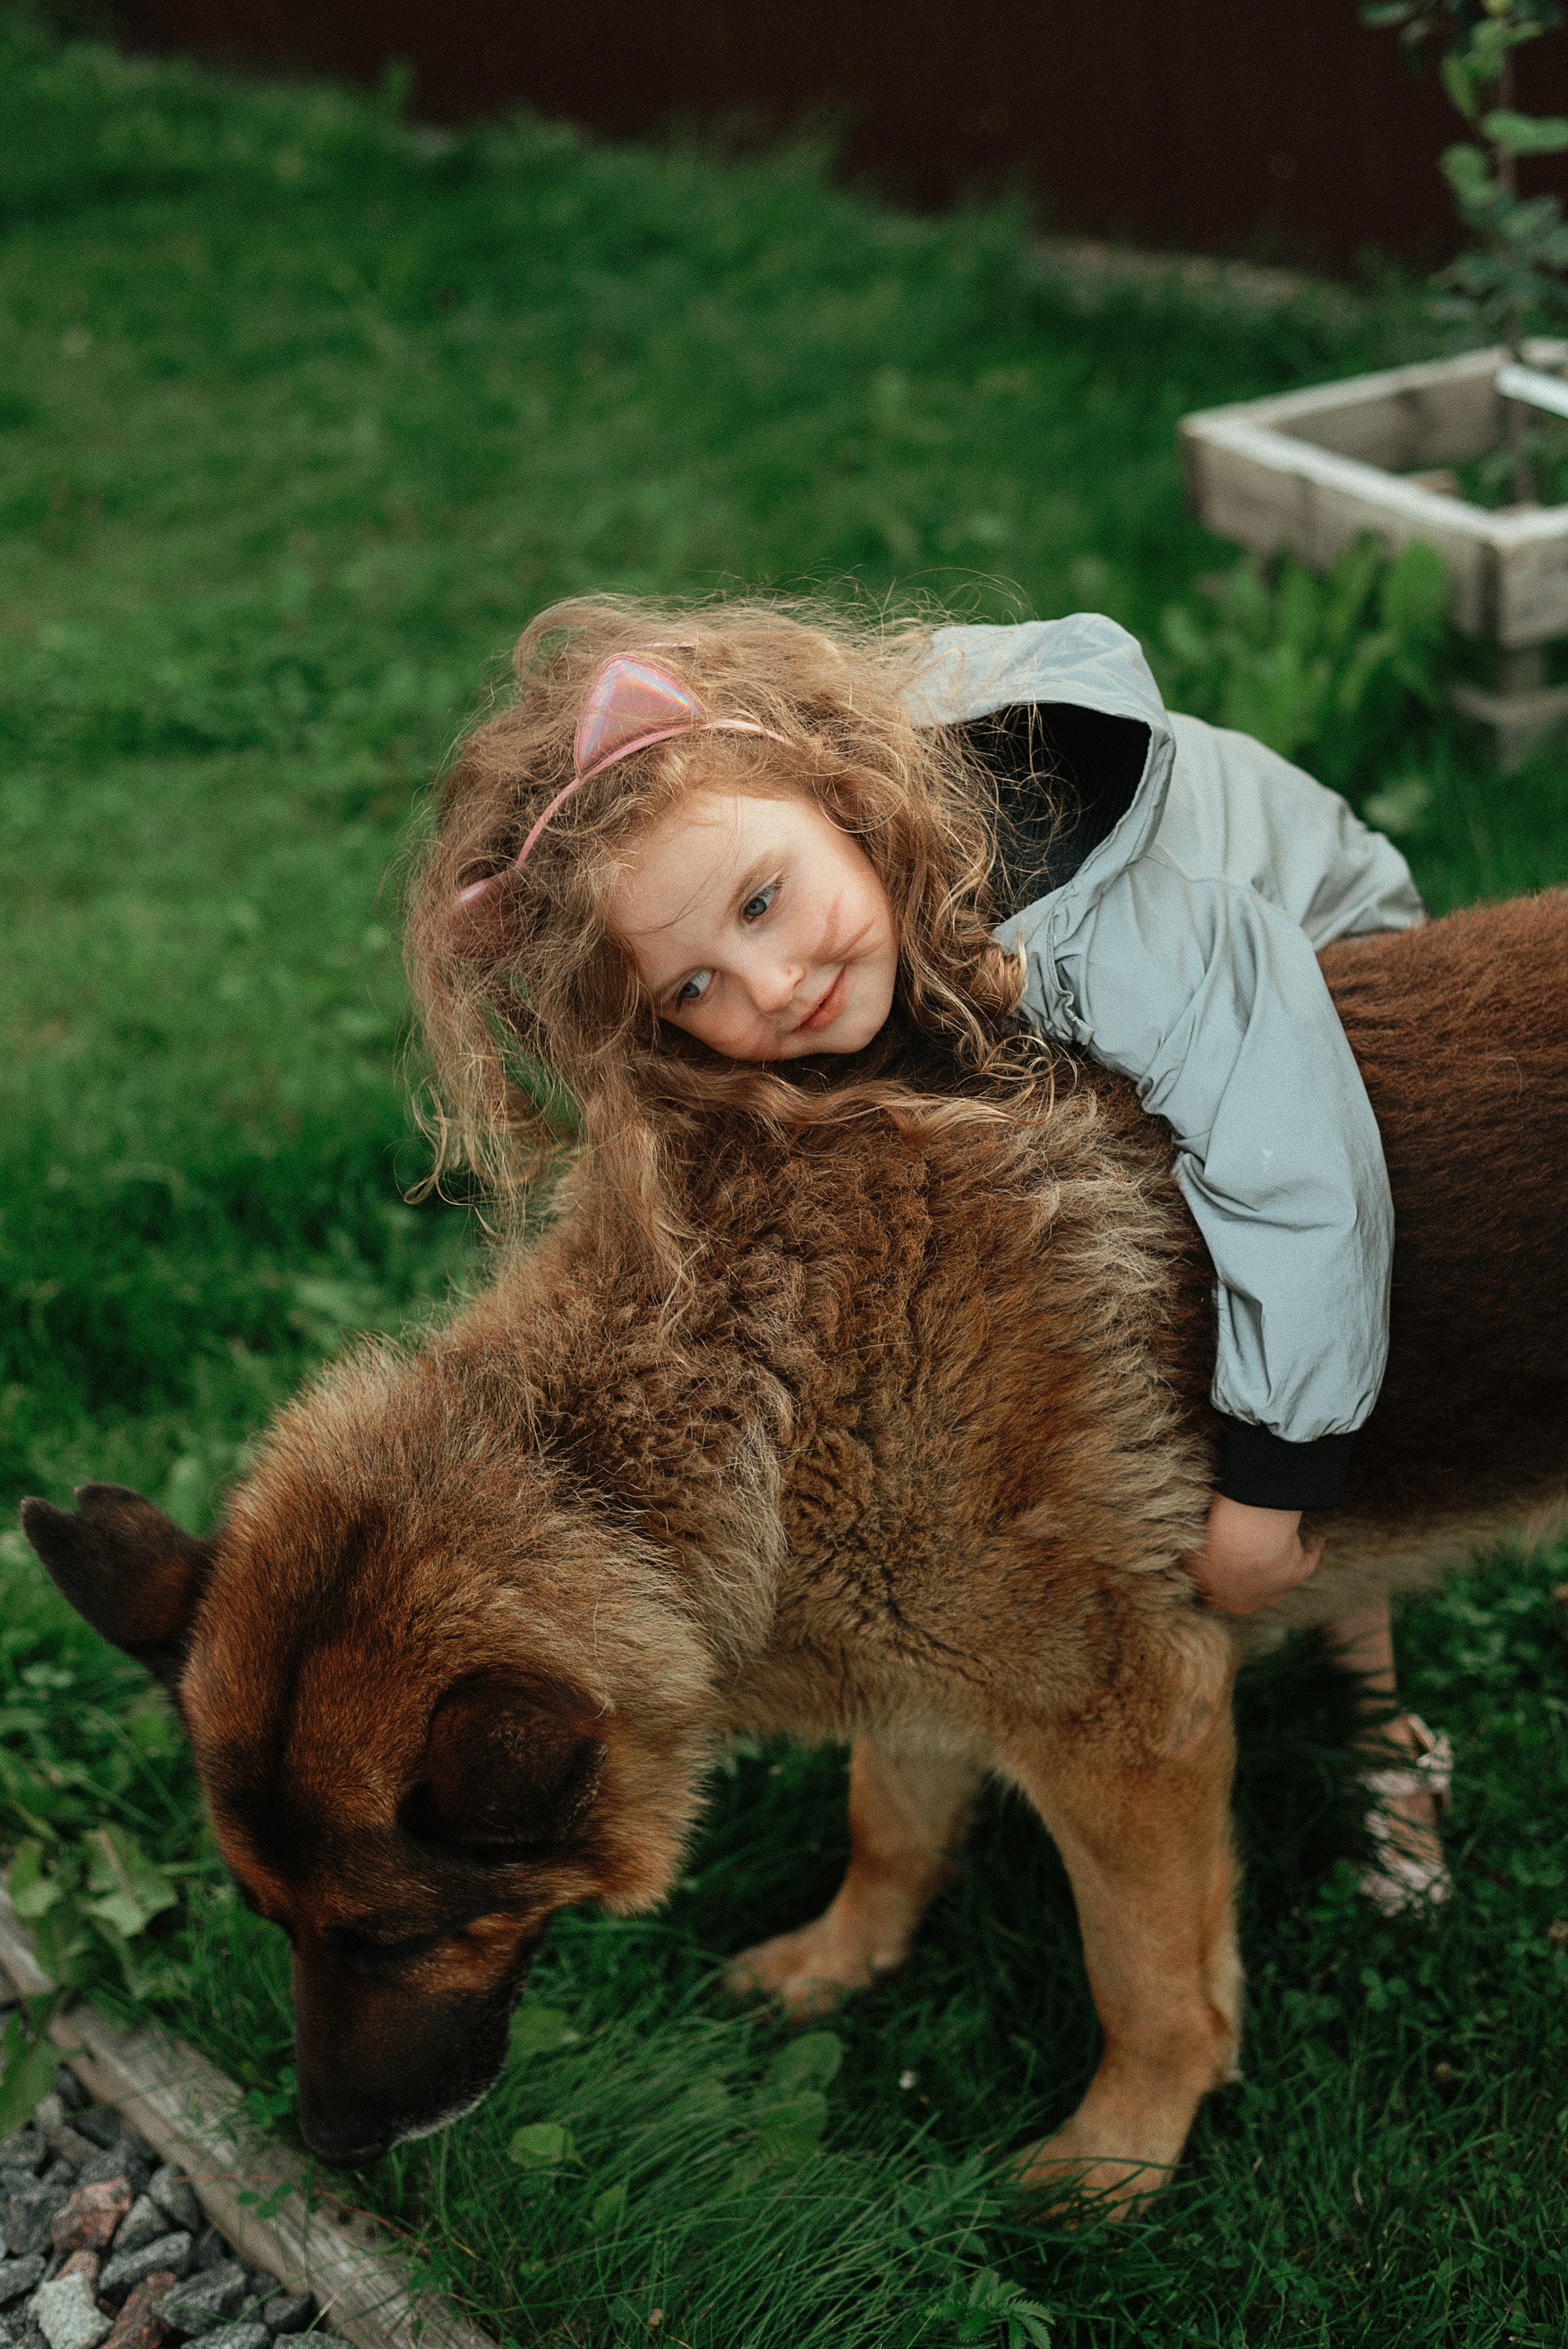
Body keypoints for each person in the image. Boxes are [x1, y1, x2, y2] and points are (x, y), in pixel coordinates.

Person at [405, 594, 1451, 1910]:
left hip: (1331, 983)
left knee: (1222, 1274)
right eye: (692, 989)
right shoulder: (841, 909)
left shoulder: (1104, 927)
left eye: (763, 901)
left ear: (837, 793)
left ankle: (1376, 1726)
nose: (771, 985)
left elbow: (1294, 1173)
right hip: (1018, 983)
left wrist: (1274, 1485)